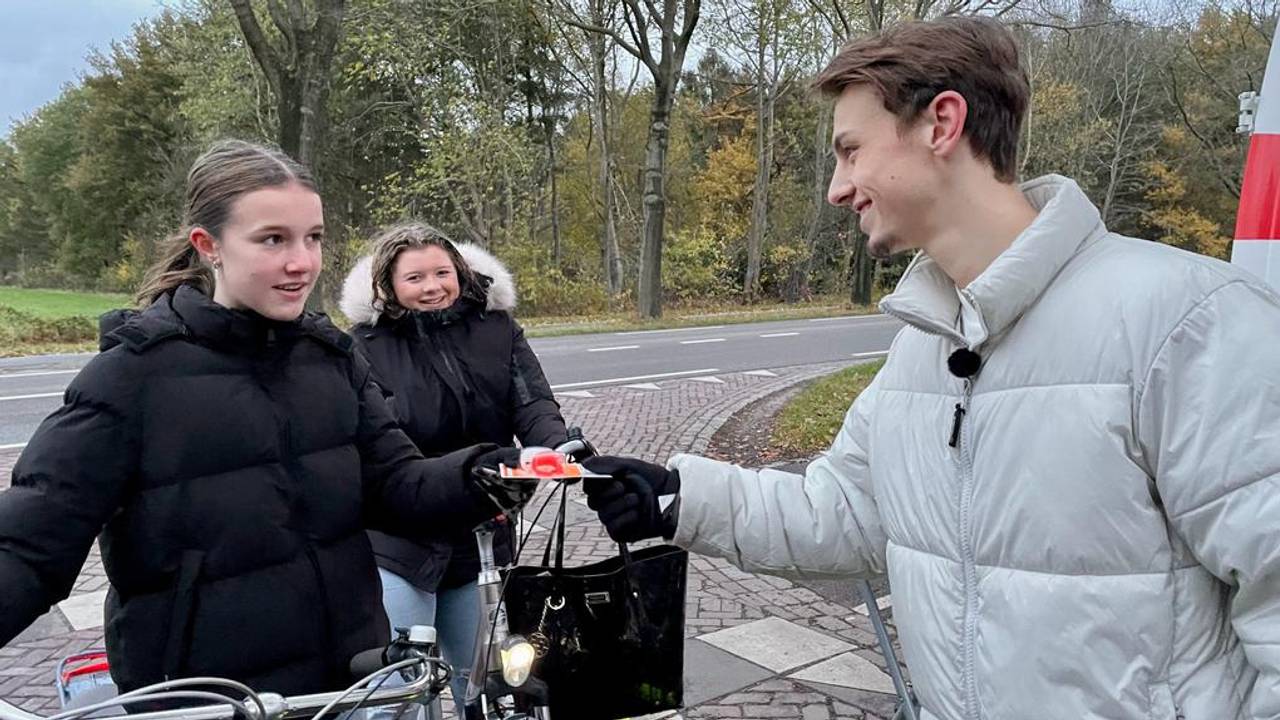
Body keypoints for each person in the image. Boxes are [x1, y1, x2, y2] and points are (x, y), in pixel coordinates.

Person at [582, 16, 1280, 720]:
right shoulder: (923, 346)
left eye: (851, 150)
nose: (837, 188)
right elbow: (850, 513)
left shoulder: (1189, 320)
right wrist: (679, 498)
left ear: (942, 124)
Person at [0, 140, 530, 698]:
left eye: (313, 237)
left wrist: (487, 474)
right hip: (212, 697)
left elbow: (396, 484)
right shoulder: (132, 376)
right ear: (209, 245)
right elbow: (31, 545)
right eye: (273, 239)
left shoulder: (332, 359)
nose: (302, 262)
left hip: (347, 685)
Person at [339, 222, 566, 716]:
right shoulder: (364, 346)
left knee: (481, 684)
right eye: (415, 277)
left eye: (442, 273)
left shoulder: (498, 330)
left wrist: (558, 448)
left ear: (460, 272)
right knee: (399, 688)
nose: (432, 287)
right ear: (388, 285)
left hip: (475, 535)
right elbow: (375, 441)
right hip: (400, 541)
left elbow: (531, 402)